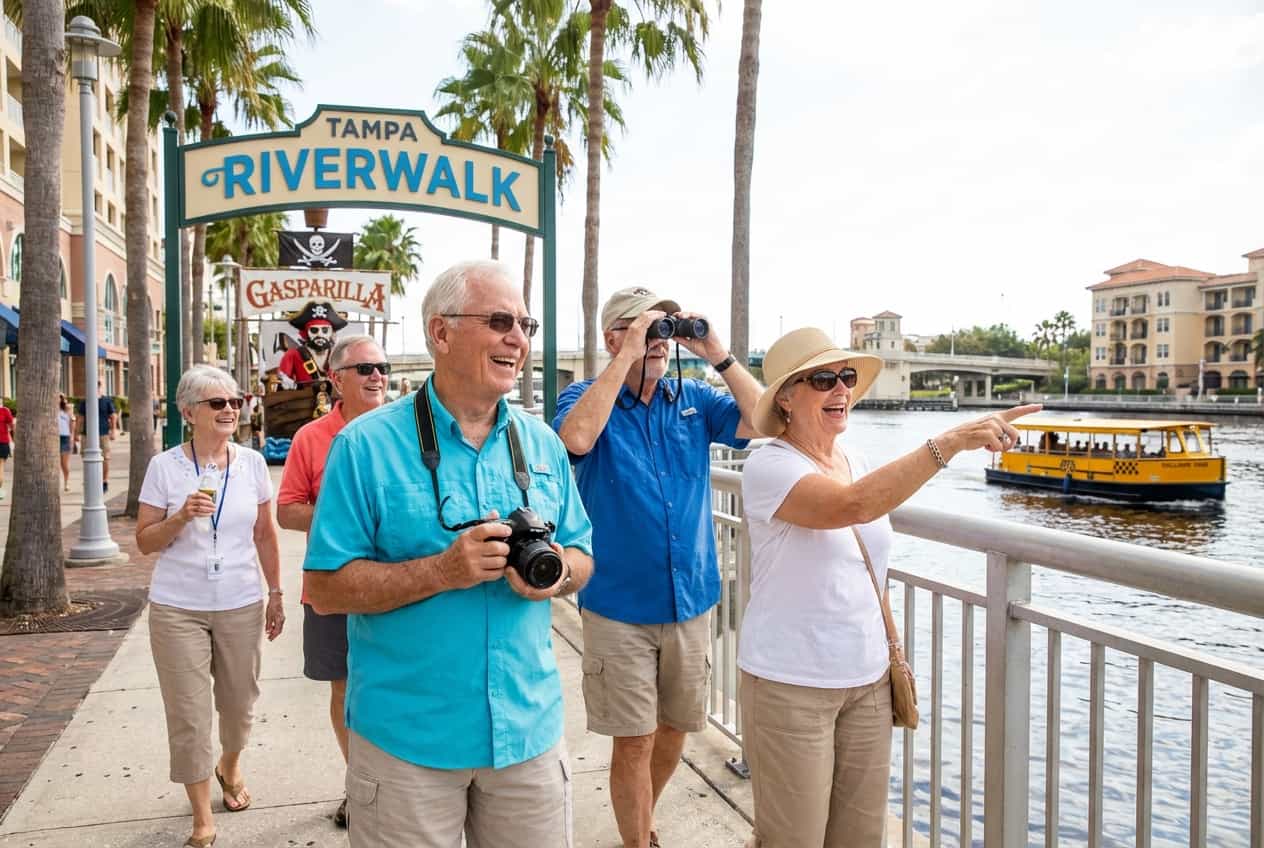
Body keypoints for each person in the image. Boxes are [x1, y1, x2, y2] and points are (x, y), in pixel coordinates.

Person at [303, 260, 593, 847]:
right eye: (500, 321)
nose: (518, 339)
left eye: (526, 325)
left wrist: (556, 573)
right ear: (440, 332)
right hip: (407, 743)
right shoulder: (364, 446)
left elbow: (582, 553)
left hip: (528, 736)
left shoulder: (542, 443)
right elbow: (326, 588)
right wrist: (443, 570)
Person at [736, 327, 1039, 847]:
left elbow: (868, 569)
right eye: (823, 379)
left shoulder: (854, 461)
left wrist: (892, 650)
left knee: (860, 837)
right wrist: (950, 442)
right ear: (785, 397)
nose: (841, 389)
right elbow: (852, 506)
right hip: (791, 684)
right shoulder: (769, 465)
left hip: (867, 681)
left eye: (846, 377)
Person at [553, 286, 762, 848]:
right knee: (634, 739)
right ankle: (637, 840)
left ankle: (641, 818)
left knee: (675, 729)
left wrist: (716, 351)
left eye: (665, 330)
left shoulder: (694, 399)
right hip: (618, 605)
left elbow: (765, 420)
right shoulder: (583, 397)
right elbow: (575, 440)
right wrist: (627, 356)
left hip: (689, 599)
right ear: (612, 337)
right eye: (646, 327)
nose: (660, 340)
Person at [134, 365, 285, 848]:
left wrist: (276, 593)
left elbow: (265, 534)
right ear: (188, 412)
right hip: (177, 607)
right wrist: (181, 516)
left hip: (240, 600)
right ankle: (202, 818)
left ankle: (230, 765)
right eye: (217, 403)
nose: (229, 410)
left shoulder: (252, 463)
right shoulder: (164, 468)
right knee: (189, 714)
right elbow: (144, 542)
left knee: (240, 704)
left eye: (235, 402)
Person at [276, 333, 389, 829]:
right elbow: (286, 511)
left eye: (382, 367)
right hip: (333, 587)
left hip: (398, 585)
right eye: (365, 369)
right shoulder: (310, 437)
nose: (377, 376)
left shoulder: (405, 431)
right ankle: (360, 788)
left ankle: (398, 785)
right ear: (337, 379)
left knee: (395, 688)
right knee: (345, 691)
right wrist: (339, 512)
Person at [277, 300, 348, 387]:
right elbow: (281, 384)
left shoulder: (339, 355)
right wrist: (288, 384)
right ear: (305, 333)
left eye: (325, 330)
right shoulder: (292, 354)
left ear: (331, 332)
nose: (320, 334)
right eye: (314, 330)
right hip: (304, 395)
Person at [77, 382, 117, 492]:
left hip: (103, 434)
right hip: (86, 434)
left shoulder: (106, 401)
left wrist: (113, 431)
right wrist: (76, 434)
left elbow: (113, 416)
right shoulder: (85, 401)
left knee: (105, 458)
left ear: (99, 388)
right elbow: (80, 418)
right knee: (86, 458)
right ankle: (89, 480)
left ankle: (104, 481)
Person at [57, 394, 74, 492]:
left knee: (64, 463)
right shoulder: (49, 410)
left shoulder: (67, 410)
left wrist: (72, 437)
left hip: (65, 437)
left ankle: (66, 482)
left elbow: (72, 423)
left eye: (59, 397)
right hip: (53, 437)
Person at [0, 400, 13, 499]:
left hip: (3, 441)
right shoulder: (5, 411)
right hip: (3, 442)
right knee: (1, 466)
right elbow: (12, 425)